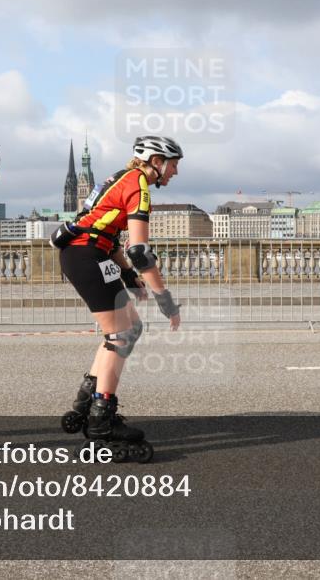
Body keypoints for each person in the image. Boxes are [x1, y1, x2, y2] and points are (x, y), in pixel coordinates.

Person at [54, 135, 183, 463]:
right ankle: (102, 421)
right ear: (156, 161)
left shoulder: (119, 178)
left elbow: (106, 233)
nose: (175, 172)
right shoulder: (138, 185)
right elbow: (140, 250)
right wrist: (164, 298)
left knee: (130, 328)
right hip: (87, 256)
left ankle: (86, 402)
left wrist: (127, 277)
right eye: (173, 164)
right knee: (120, 335)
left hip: (88, 253)